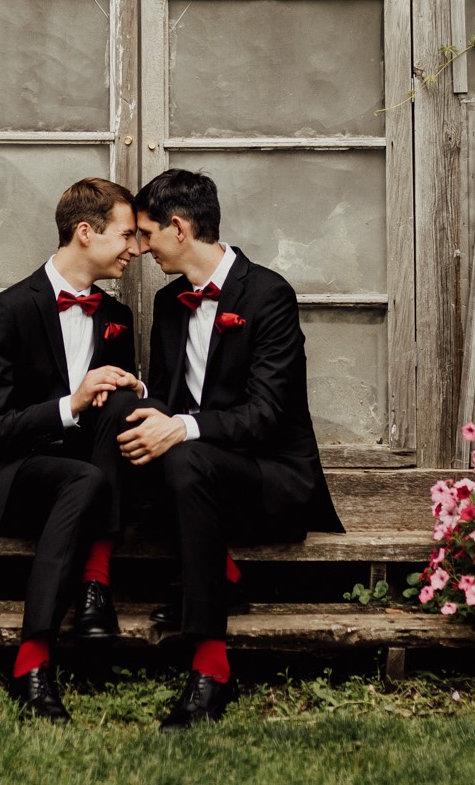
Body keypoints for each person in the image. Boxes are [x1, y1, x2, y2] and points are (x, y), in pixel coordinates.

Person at [116, 168, 344, 731]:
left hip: (272, 475)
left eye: (145, 235)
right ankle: (219, 577)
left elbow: (266, 416)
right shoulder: (171, 305)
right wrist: (138, 401)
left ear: (178, 229)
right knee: (126, 423)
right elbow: (170, 398)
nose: (141, 249)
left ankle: (210, 664)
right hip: (194, 476)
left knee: (184, 451)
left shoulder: (268, 295)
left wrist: (183, 429)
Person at [0, 177, 144, 723]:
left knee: (118, 416)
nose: (136, 247)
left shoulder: (118, 318)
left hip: (84, 474)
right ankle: (34, 658)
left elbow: (115, 417)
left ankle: (93, 589)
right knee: (84, 478)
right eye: (126, 235)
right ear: (85, 232)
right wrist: (71, 403)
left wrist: (136, 390)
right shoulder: (7, 310)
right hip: (11, 474)